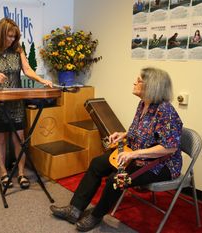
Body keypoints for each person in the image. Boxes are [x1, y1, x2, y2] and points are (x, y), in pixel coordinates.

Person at [50, 67, 183, 232]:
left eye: (139, 80)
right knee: (97, 163)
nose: (134, 82)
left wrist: (134, 153)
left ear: (152, 86)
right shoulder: (143, 104)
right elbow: (141, 131)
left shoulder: (166, 111)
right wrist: (123, 135)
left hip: (160, 165)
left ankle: (96, 215)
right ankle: (74, 209)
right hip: (137, 155)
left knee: (117, 179)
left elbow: (169, 148)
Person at [0, 18, 52, 189]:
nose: (11, 40)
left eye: (14, 37)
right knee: (1, 139)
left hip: (15, 102)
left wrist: (42, 80)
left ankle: (20, 173)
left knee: (20, 138)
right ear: (1, 33)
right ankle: (3, 173)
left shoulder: (18, 50)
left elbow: (27, 70)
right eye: (9, 36)